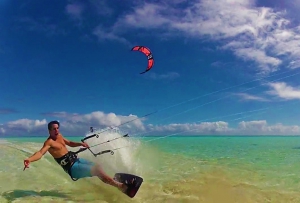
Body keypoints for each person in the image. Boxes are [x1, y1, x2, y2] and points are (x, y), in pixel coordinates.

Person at [23, 120, 126, 192]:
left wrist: (80, 144)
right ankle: (120, 186)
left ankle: (113, 182)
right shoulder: (49, 143)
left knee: (98, 166)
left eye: (57, 128)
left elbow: (69, 143)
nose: (57, 131)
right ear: (49, 130)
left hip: (76, 160)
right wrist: (29, 159)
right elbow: (40, 153)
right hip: (72, 168)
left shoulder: (59, 136)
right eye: (54, 129)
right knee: (97, 170)